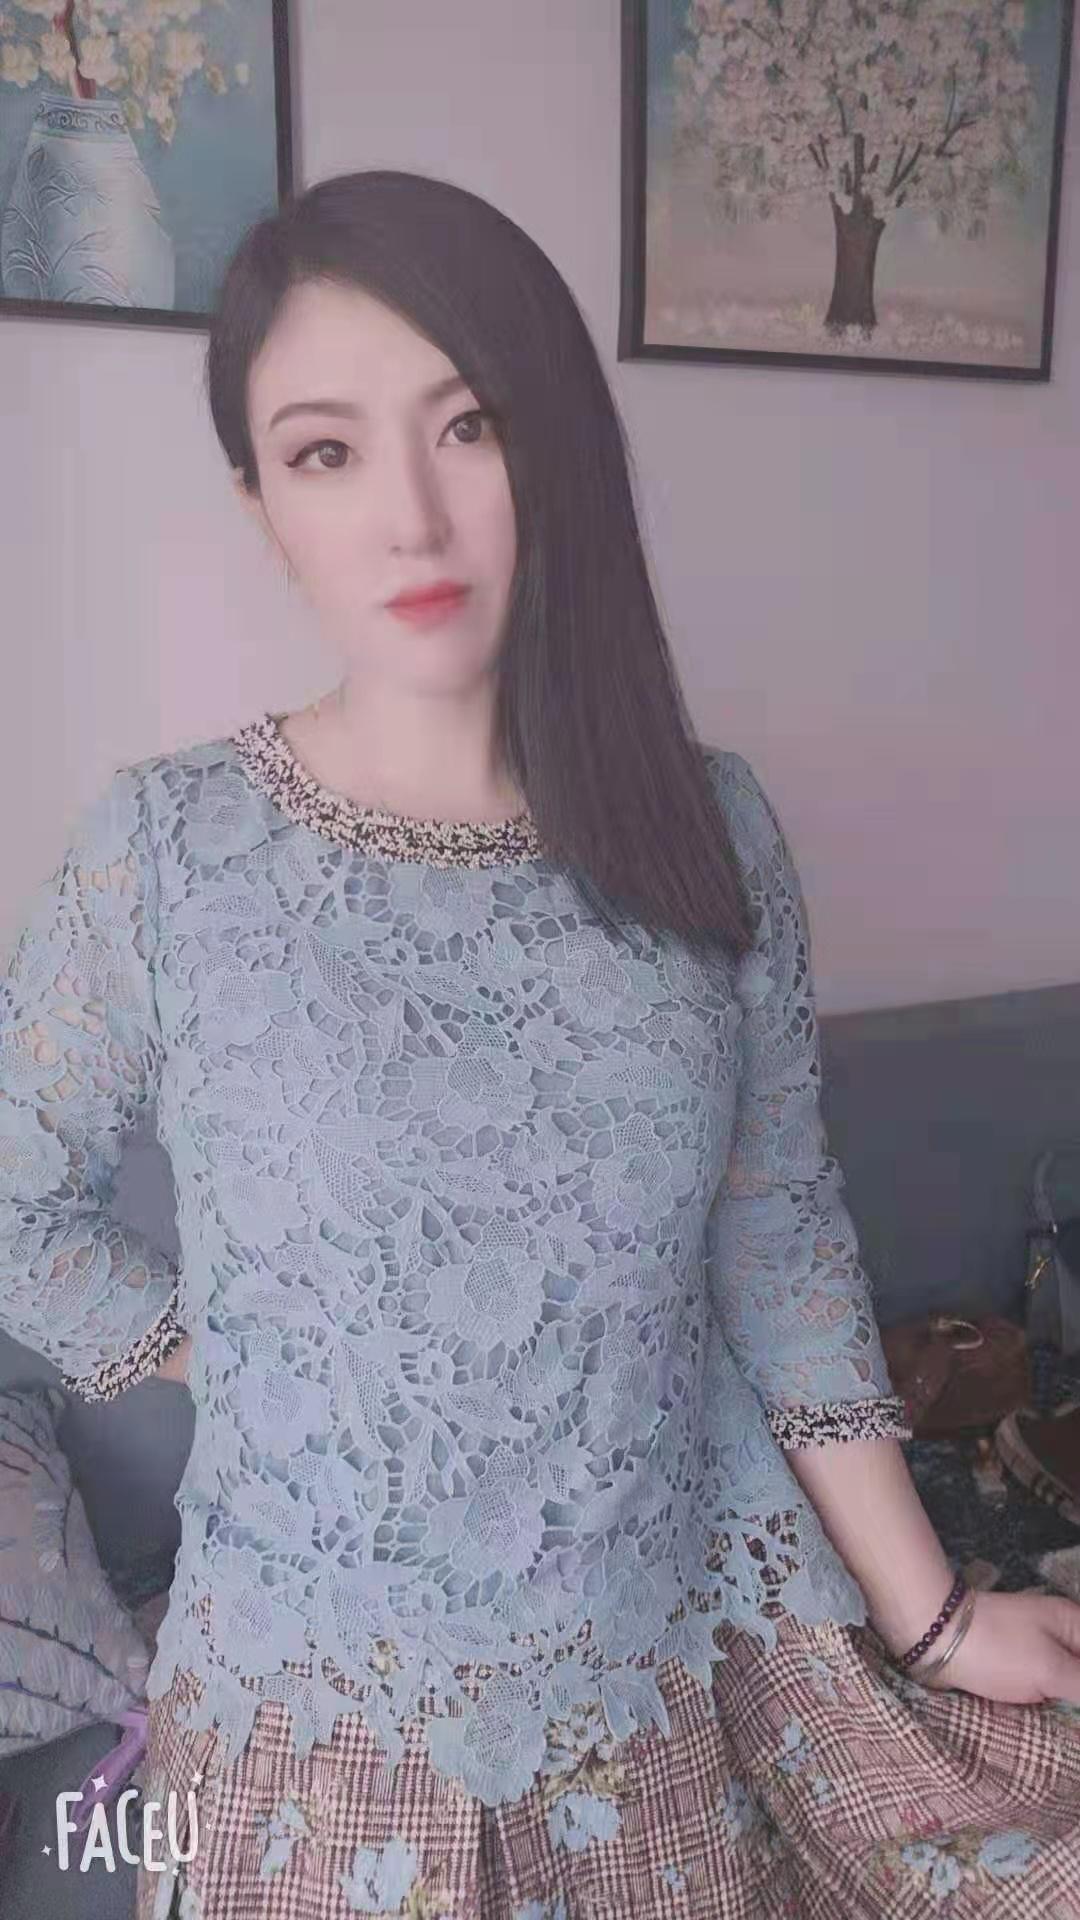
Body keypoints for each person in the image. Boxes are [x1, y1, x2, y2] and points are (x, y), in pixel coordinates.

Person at [2, 171, 1079, 1920]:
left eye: (471, 425)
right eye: (327, 452)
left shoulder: (711, 829)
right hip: (303, 1747)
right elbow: (12, 1193)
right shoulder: (167, 851)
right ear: (265, 508)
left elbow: (778, 1248)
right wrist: (249, 1351)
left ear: (559, 449)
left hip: (647, 1726)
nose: (411, 519)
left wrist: (937, 1618)